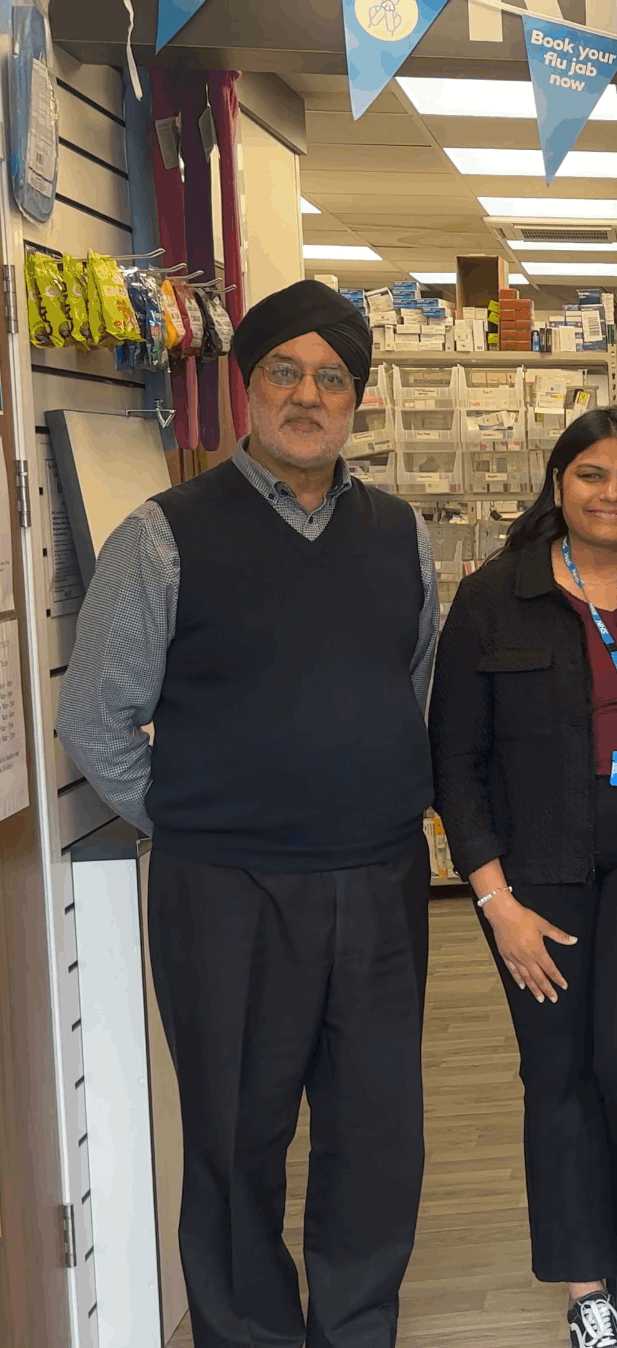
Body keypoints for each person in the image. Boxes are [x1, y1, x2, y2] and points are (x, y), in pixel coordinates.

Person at [55, 280, 438, 1348]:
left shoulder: (400, 534)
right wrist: (194, 820)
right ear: (247, 385)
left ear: (356, 399)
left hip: (380, 885)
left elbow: (407, 683)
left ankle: (355, 1328)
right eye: (285, 372)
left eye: (332, 379)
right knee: (234, 1136)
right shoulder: (163, 536)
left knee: (376, 1139)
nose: (308, 397)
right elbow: (94, 719)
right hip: (225, 896)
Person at [429, 408, 617, 1348]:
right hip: (538, 872)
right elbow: (455, 763)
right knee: (557, 1073)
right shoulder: (496, 595)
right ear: (558, 482)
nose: (612, 495)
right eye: (592, 474)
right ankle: (586, 1287)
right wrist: (495, 902)